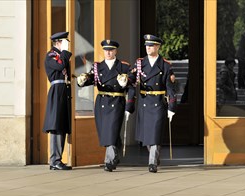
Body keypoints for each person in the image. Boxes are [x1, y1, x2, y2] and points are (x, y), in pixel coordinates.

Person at [77, 40, 131, 172]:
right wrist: (82, 80)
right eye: (106, 50)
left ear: (115, 51)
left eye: (111, 50)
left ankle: (109, 161)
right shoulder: (97, 66)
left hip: (117, 100)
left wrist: (125, 84)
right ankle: (115, 154)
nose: (108, 52)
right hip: (102, 101)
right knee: (106, 131)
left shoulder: (123, 66)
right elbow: (91, 79)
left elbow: (132, 84)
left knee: (111, 129)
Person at [126, 34, 177, 173]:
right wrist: (125, 79)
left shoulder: (165, 65)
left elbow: (170, 88)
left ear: (158, 47)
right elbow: (132, 79)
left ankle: (152, 162)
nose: (148, 48)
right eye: (147, 46)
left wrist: (172, 107)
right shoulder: (140, 63)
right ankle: (154, 155)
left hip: (158, 103)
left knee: (155, 133)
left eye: (151, 46)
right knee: (147, 136)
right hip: (144, 101)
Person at [42, 31, 73, 170]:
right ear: (58, 42)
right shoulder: (51, 56)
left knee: (62, 125)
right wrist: (65, 52)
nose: (66, 45)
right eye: (64, 42)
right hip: (57, 90)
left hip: (64, 90)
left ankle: (57, 159)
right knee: (56, 125)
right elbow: (60, 66)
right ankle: (54, 160)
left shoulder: (61, 55)